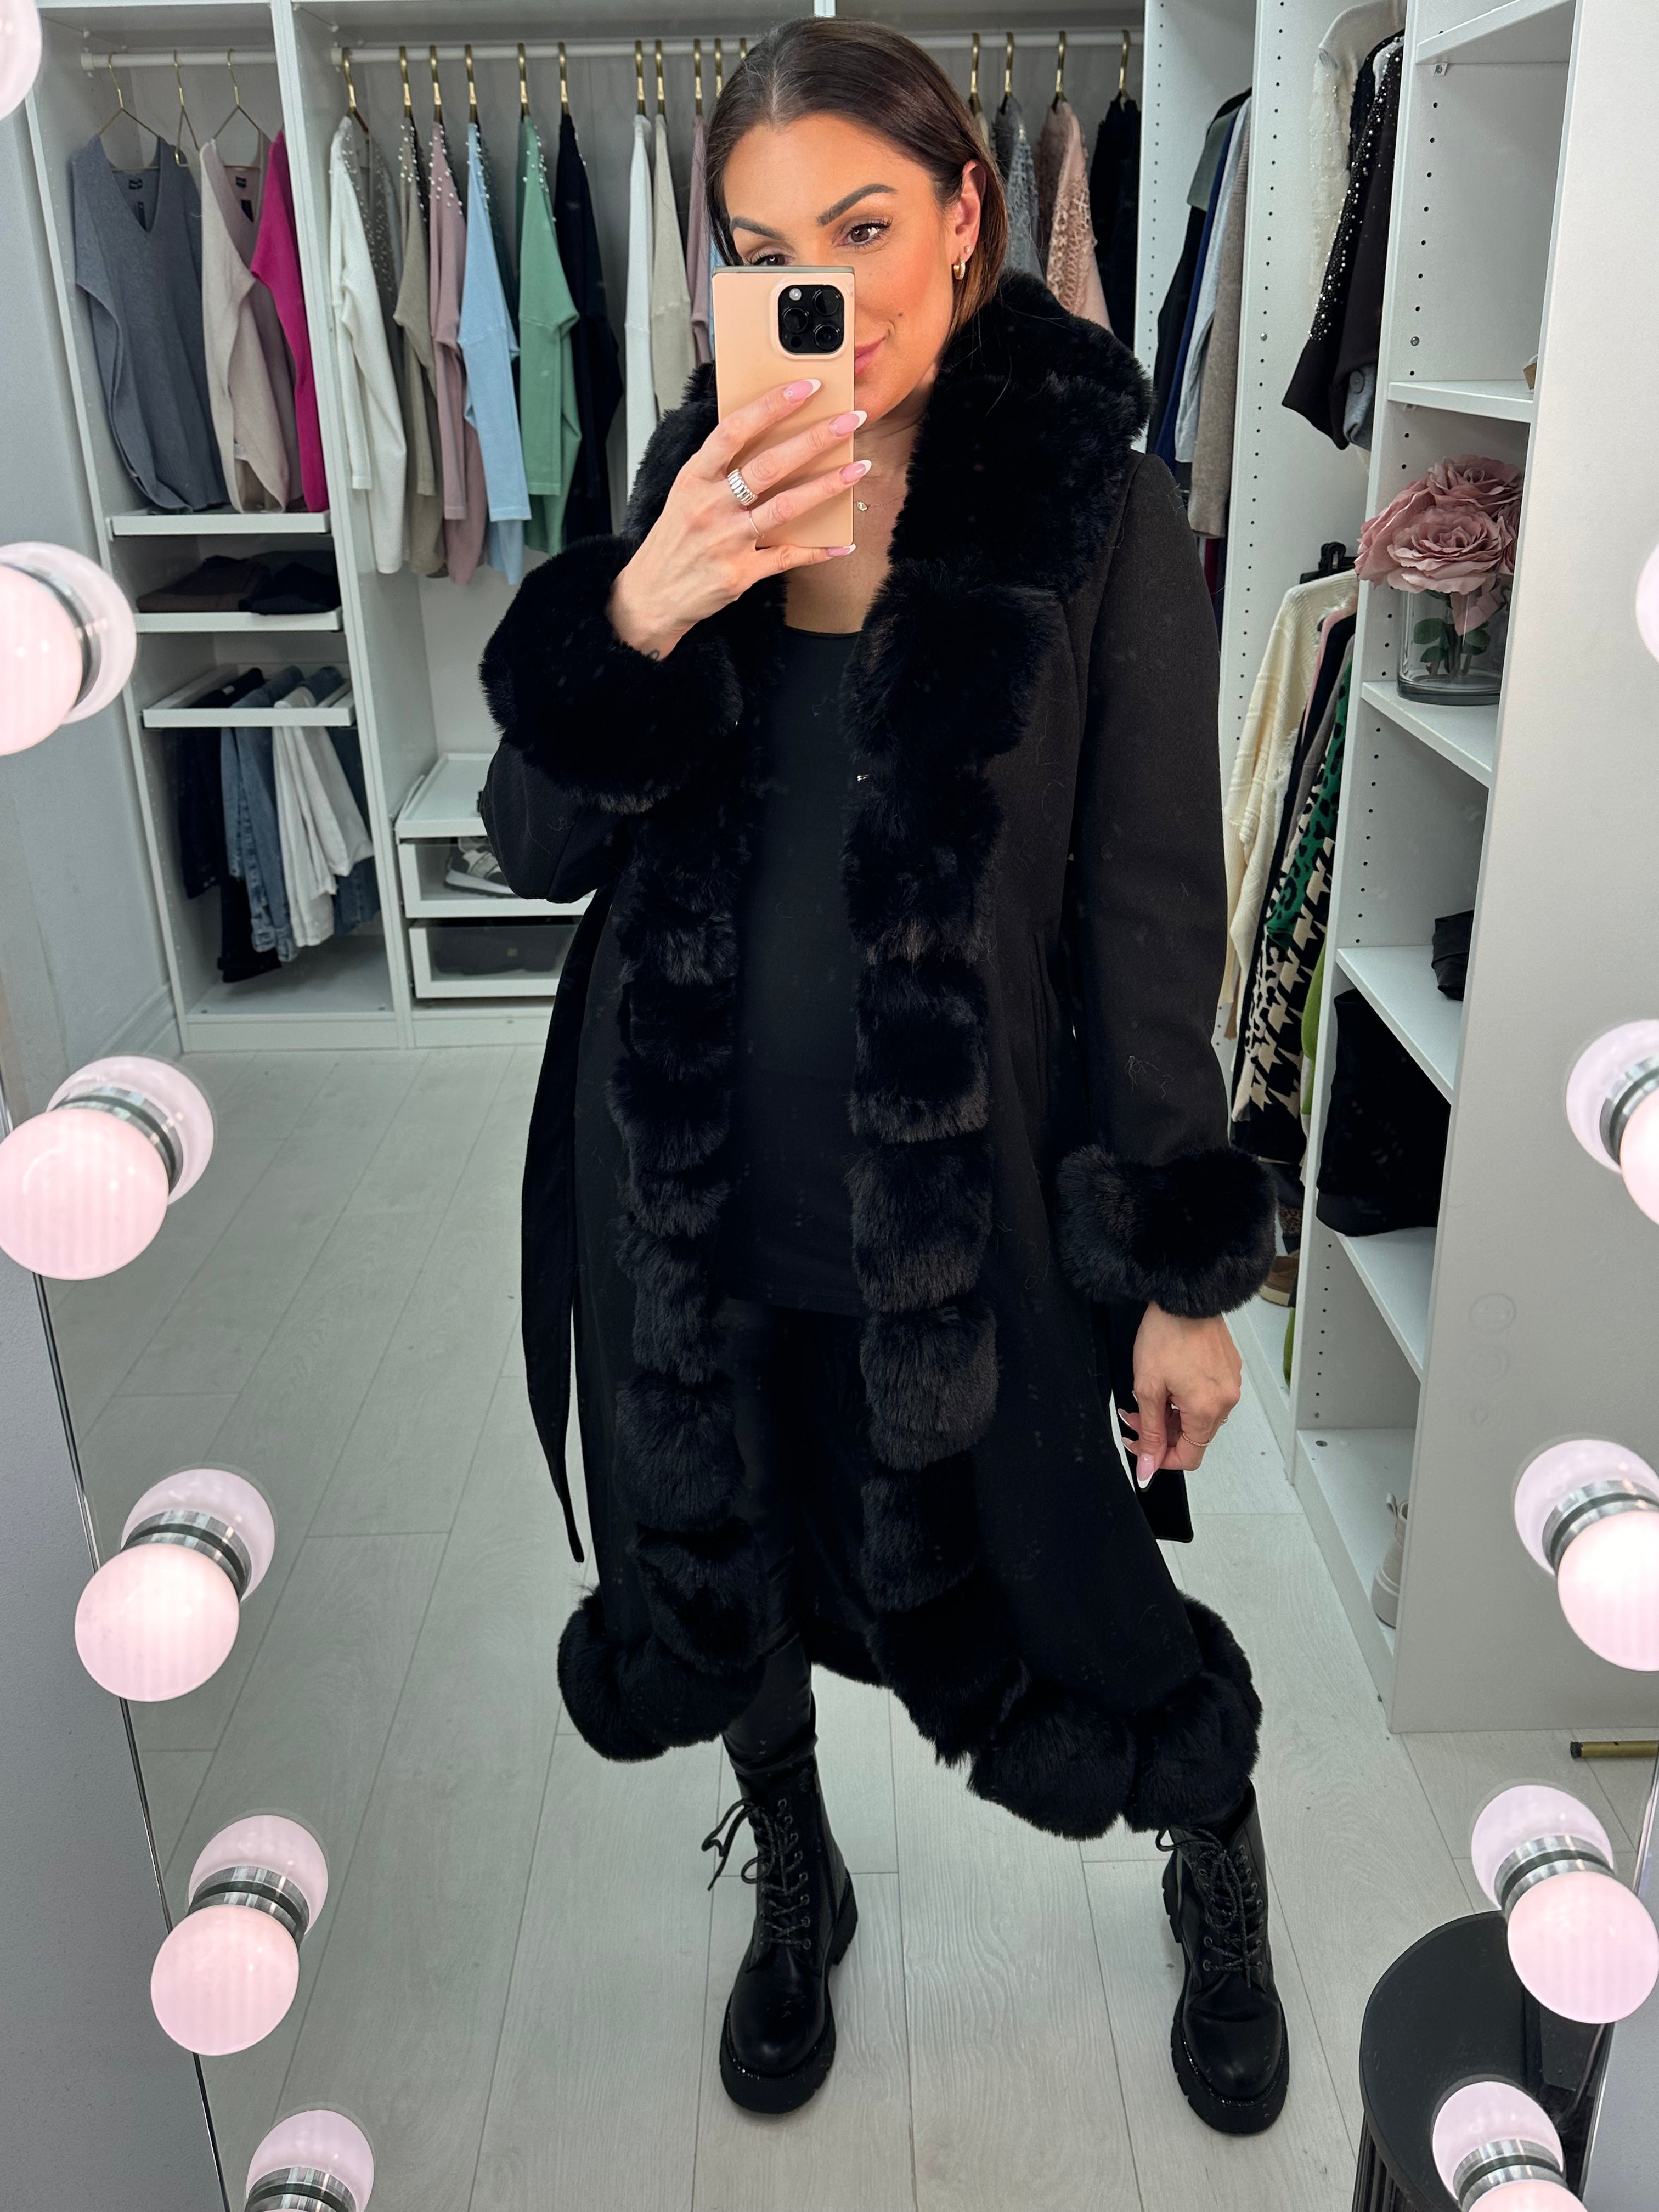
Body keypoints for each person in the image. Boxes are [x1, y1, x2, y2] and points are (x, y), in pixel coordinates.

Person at [479, 17, 1284, 2137]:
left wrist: (1178, 1274)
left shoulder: (1097, 508)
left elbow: (1148, 906)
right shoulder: (694, 487)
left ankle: (1211, 1836)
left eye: (859, 227)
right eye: (761, 250)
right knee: (721, 1557)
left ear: (966, 216)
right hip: (686, 1192)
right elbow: (535, 845)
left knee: (1075, 1582)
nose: (817, 283)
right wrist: (645, 608)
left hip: (965, 1201)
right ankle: (795, 1873)